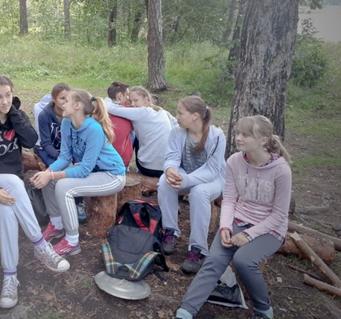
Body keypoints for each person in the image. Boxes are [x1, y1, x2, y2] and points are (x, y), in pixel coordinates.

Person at [175, 116, 292, 319]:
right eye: (238, 133)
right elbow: (229, 199)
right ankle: (186, 311)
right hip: (239, 219)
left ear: (263, 140)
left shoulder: (281, 170)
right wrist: (225, 227)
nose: (238, 138)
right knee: (214, 259)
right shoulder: (234, 161)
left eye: (246, 135)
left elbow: (280, 214)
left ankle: (263, 309)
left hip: (270, 228)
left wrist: (248, 235)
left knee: (244, 260)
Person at [0, 75, 70, 309]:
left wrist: (14, 115)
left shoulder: (16, 116)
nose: (4, 101)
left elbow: (31, 140)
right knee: (13, 183)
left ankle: (9, 276)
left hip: (9, 190)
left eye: (8, 95)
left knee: (7, 207)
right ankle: (40, 245)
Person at [31, 89, 126, 256]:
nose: (62, 104)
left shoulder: (93, 129)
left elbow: (84, 169)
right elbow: (64, 157)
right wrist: (48, 172)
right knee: (49, 179)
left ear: (77, 106)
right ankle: (57, 224)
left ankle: (72, 241)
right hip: (92, 171)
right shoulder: (66, 123)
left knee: (63, 187)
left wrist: (52, 175)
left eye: (66, 100)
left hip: (112, 175)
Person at [157, 95, 226, 274]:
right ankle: (170, 231)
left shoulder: (216, 136)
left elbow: (212, 170)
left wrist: (185, 180)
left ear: (195, 116)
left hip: (212, 180)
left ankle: (198, 249)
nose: (177, 116)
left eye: (180, 113)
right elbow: (172, 157)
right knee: (164, 182)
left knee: (199, 192)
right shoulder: (177, 131)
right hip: (186, 175)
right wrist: (170, 170)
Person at [34, 83, 87, 223]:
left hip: (68, 150)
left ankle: (78, 202)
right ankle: (57, 208)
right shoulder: (45, 115)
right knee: (57, 170)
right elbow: (45, 143)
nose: (65, 102)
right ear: (53, 99)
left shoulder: (70, 114)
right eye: (62, 98)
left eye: (67, 99)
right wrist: (59, 157)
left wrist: (71, 156)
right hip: (49, 150)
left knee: (77, 167)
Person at [105, 85, 176, 177]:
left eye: (136, 100)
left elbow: (110, 108)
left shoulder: (141, 112)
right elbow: (177, 123)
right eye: (130, 101)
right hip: (167, 166)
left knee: (132, 135)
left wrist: (108, 98)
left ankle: (127, 166)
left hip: (148, 168)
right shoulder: (163, 112)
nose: (132, 104)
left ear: (146, 100)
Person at [106, 81, 133, 167]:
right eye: (127, 95)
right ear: (120, 96)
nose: (129, 98)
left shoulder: (101, 111)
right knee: (133, 134)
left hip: (103, 158)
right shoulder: (129, 112)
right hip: (121, 161)